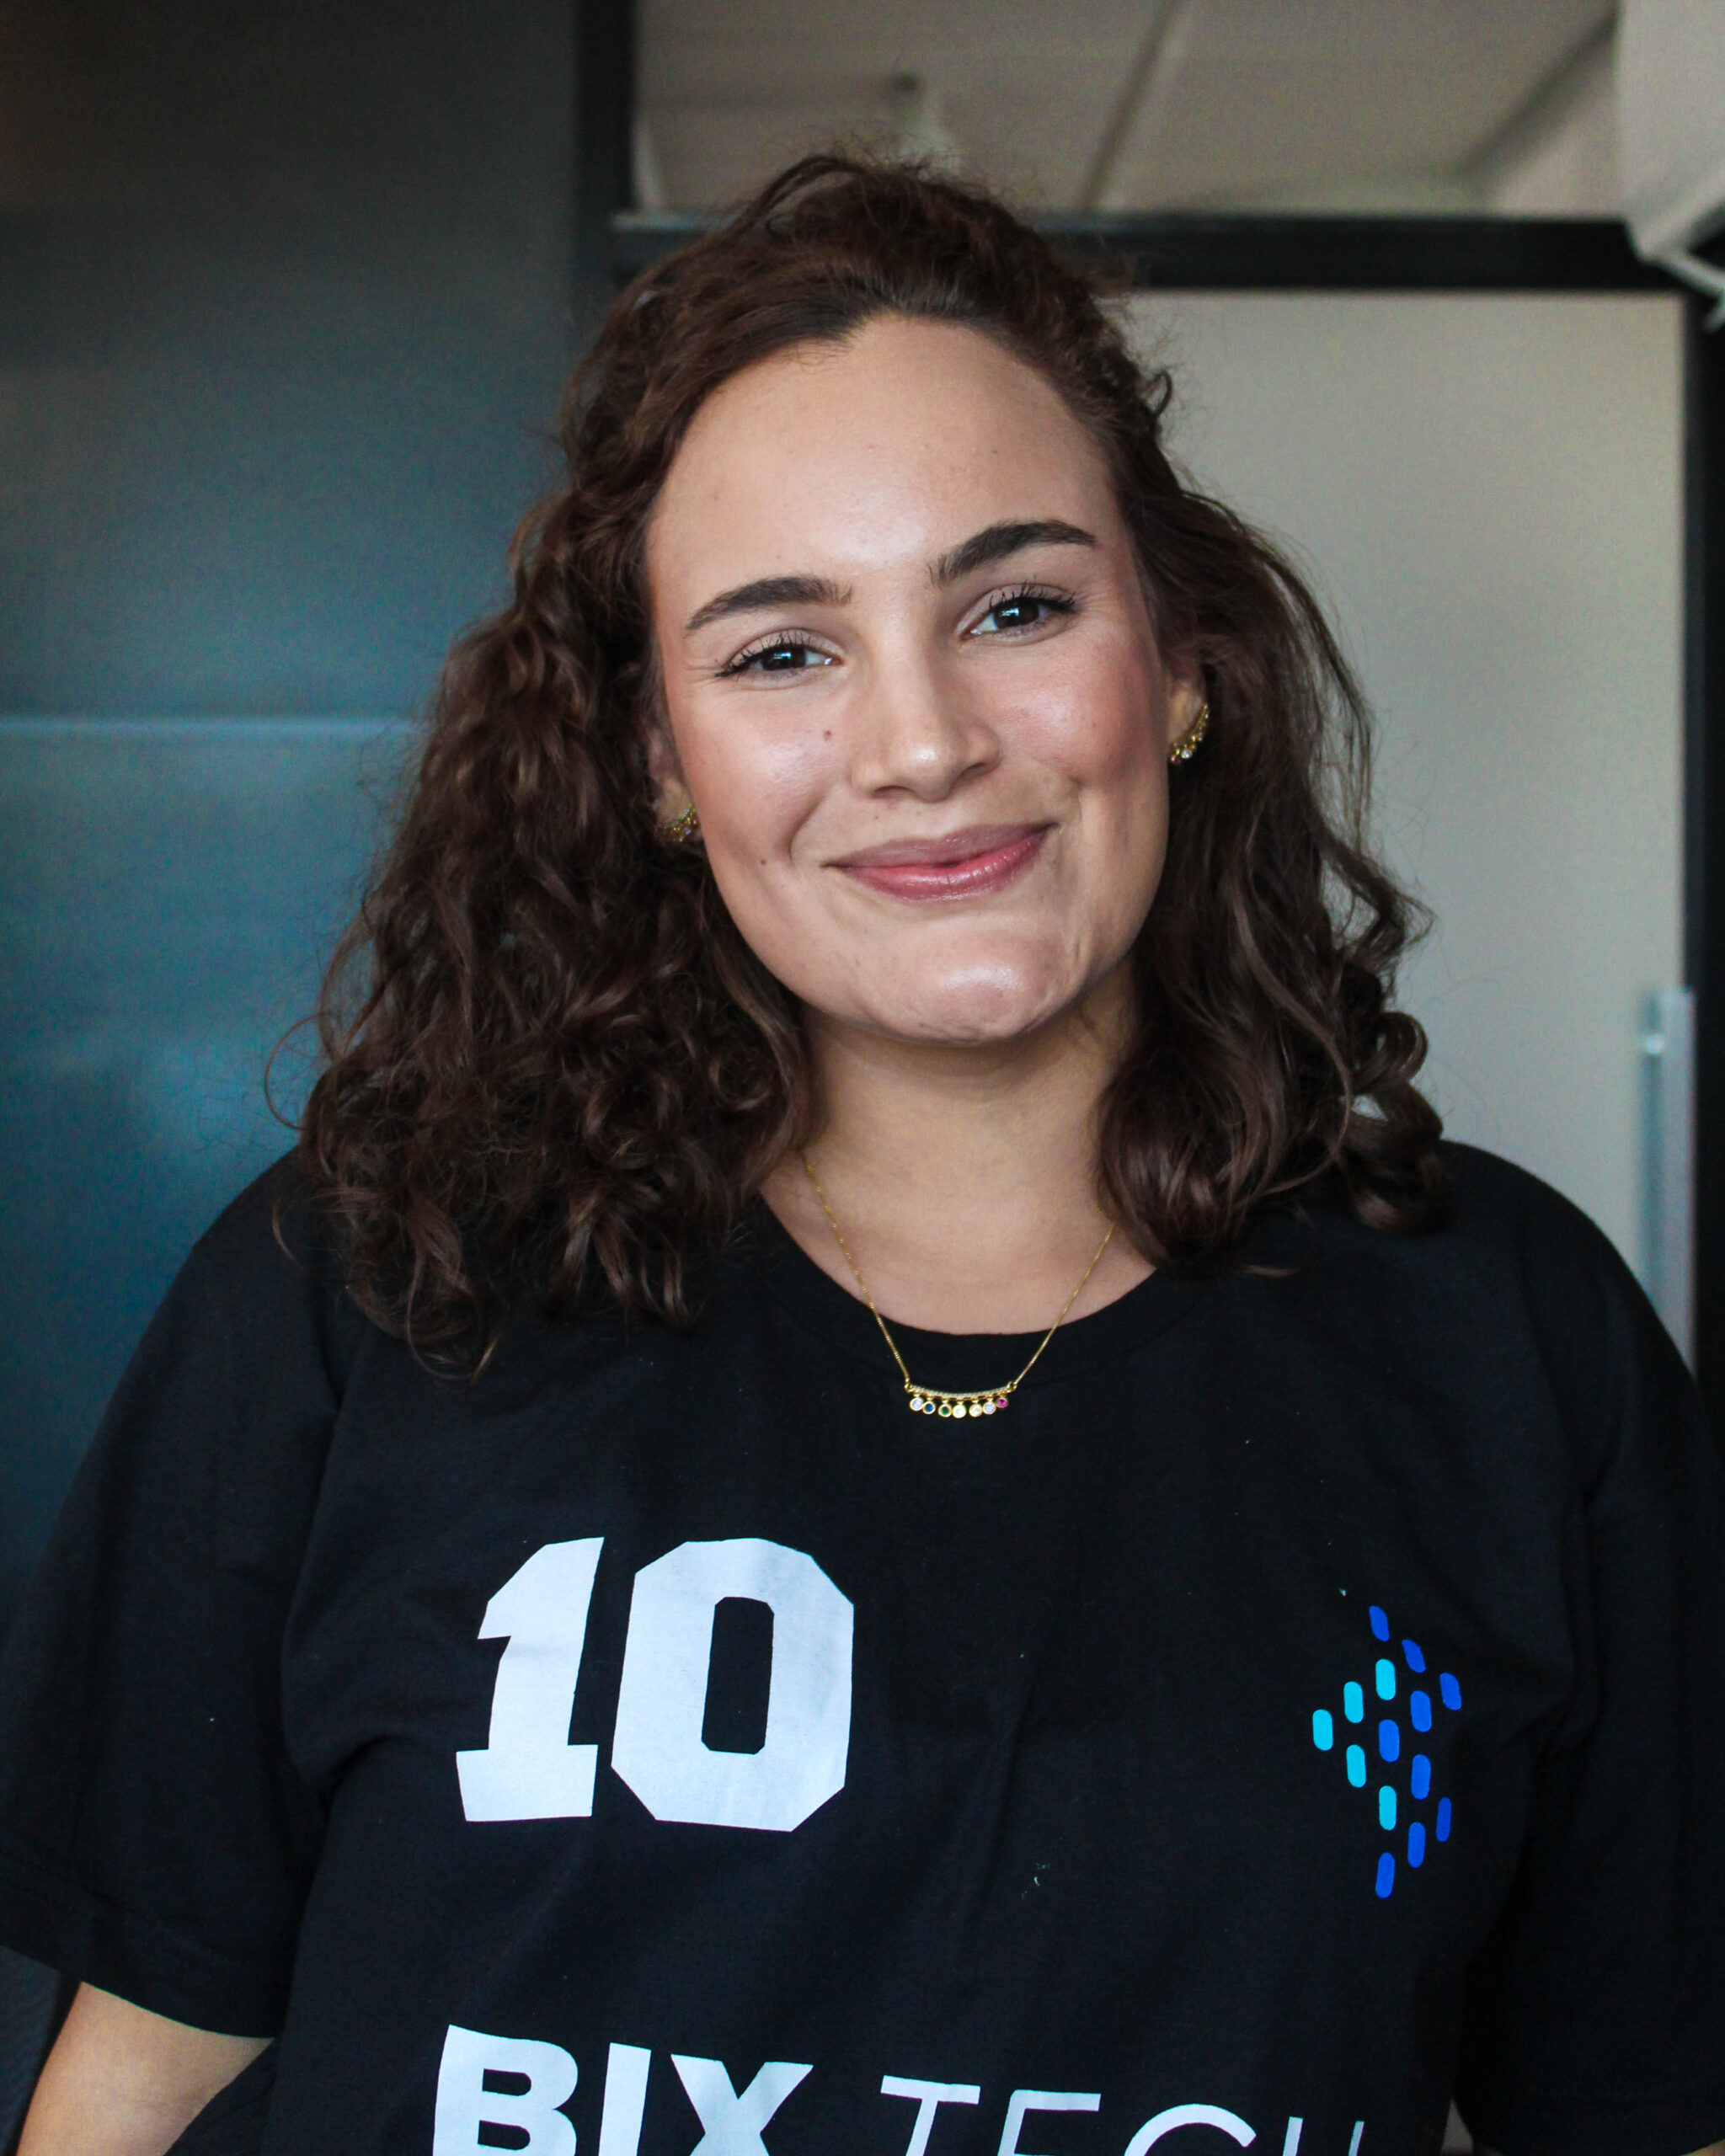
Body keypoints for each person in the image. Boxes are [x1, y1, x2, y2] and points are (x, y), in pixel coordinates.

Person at [2, 153, 1722, 2156]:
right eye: (780, 651)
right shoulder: (376, 1284)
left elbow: (1647, 2101)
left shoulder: (1505, 1342)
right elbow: (132, 2078)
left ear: (1174, 664)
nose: (918, 741)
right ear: (657, 759)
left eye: (1013, 605)